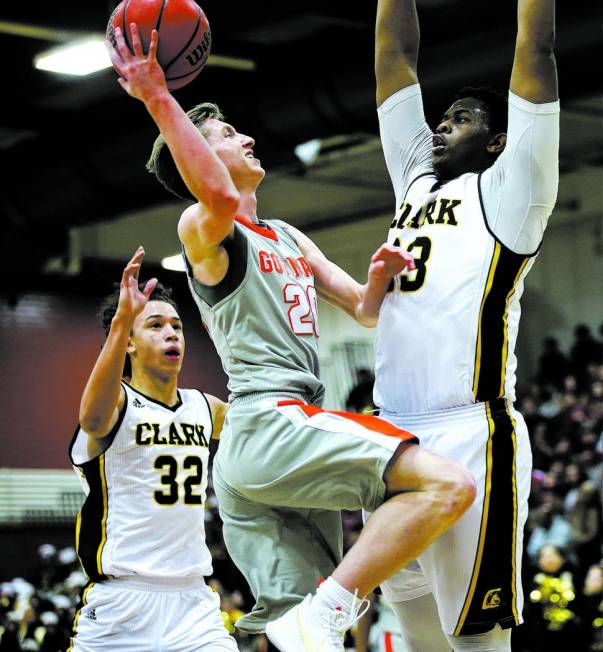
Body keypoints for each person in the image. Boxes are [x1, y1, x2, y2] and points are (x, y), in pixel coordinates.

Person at [106, 24, 477, 652]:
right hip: (269, 422)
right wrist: (156, 98)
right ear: (194, 156)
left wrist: (380, 278)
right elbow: (217, 193)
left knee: (300, 636)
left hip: (273, 449)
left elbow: (361, 310)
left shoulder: (286, 234)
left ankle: (315, 616)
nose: (248, 137)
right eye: (225, 135)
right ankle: (328, 608)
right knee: (450, 484)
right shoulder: (201, 225)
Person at [371, 0, 560, 649]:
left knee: (476, 644)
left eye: (460, 119)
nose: (441, 126)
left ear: (497, 138)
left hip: (469, 435)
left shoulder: (514, 190)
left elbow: (534, 54)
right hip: (392, 440)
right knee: (416, 637)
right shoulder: (415, 180)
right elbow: (391, 58)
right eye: (441, 117)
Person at [67, 248, 237, 651]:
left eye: (177, 326)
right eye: (155, 325)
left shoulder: (205, 407)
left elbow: (264, 427)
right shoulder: (115, 405)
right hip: (121, 602)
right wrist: (121, 319)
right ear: (127, 342)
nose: (171, 333)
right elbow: (92, 420)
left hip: (193, 601)